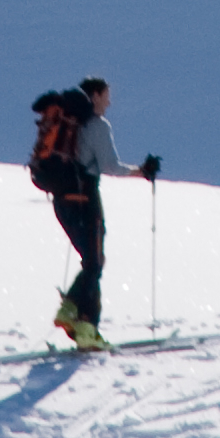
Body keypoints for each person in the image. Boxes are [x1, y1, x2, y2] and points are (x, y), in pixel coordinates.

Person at [37, 75, 159, 351]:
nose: (109, 102)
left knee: (92, 262)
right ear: (94, 97)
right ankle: (73, 313)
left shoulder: (67, 123)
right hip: (85, 198)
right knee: (95, 261)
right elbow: (109, 165)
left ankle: (85, 328)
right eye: (106, 96)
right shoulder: (96, 125)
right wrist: (141, 171)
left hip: (61, 199)